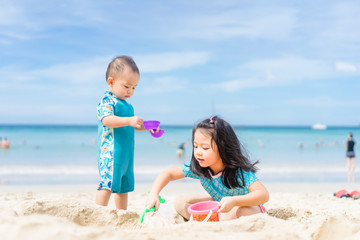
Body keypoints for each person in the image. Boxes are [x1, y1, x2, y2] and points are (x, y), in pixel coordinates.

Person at [146, 116, 269, 221]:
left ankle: (211, 219)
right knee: (180, 201)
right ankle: (212, 219)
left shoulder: (238, 172)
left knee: (244, 212)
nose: (198, 152)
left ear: (223, 148)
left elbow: (263, 194)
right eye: (195, 146)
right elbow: (169, 174)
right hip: (219, 204)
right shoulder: (199, 167)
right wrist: (153, 194)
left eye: (205, 148)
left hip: (244, 206)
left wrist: (235, 201)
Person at [95, 56, 152, 210]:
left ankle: (122, 214)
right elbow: (106, 120)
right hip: (111, 154)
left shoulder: (128, 106)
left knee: (123, 186)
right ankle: (98, 212)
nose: (130, 91)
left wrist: (147, 127)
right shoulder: (107, 101)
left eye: (134, 87)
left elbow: (132, 125)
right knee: (107, 184)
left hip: (126, 155)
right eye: (127, 86)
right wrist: (129, 121)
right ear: (111, 82)